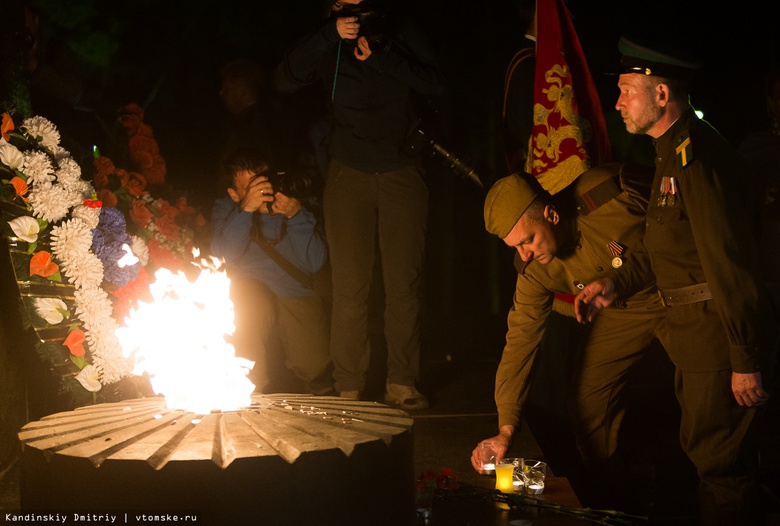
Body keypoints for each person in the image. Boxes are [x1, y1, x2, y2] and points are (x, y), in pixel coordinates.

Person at [574, 37, 779, 524]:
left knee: (722, 468)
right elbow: (670, 250)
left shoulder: (699, 162)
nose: (618, 102)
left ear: (661, 95)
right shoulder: (672, 153)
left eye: (627, 90)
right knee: (708, 459)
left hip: (715, 340)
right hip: (696, 338)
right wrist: (617, 284)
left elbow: (729, 266)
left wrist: (745, 358)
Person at [274, 0, 444, 409]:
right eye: (342, 6)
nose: (354, 14)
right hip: (348, 172)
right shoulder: (330, 40)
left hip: (402, 169)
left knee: (404, 283)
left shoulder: (400, 27)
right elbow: (284, 79)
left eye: (360, 5)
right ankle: (349, 383)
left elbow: (439, 83)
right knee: (350, 285)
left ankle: (402, 382)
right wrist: (329, 34)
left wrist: (387, 60)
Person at [471, 162, 667, 511]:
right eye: (515, 247)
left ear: (551, 214)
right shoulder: (533, 270)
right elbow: (520, 341)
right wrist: (505, 427)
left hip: (680, 289)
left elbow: (688, 222)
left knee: (708, 408)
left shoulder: (609, 189)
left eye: (528, 240)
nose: (525, 254)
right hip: (626, 312)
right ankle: (617, 508)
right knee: (588, 406)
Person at [210, 148, 332, 395]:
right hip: (249, 293)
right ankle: (249, 388)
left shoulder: (292, 202)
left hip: (294, 291)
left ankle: (315, 388)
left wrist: (296, 215)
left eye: (264, 181)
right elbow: (222, 256)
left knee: (314, 365)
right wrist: (246, 211)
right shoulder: (227, 209)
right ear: (234, 193)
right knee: (247, 300)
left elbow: (315, 262)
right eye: (252, 186)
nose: (263, 190)